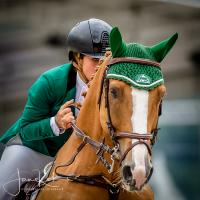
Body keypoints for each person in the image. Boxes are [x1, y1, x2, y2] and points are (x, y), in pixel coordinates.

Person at [0, 18, 112, 199]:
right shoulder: (50, 82)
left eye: (106, 60)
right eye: (94, 60)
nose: (102, 67)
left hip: (75, 160)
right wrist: (56, 123)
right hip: (32, 152)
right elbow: (26, 129)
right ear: (77, 58)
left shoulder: (112, 88)